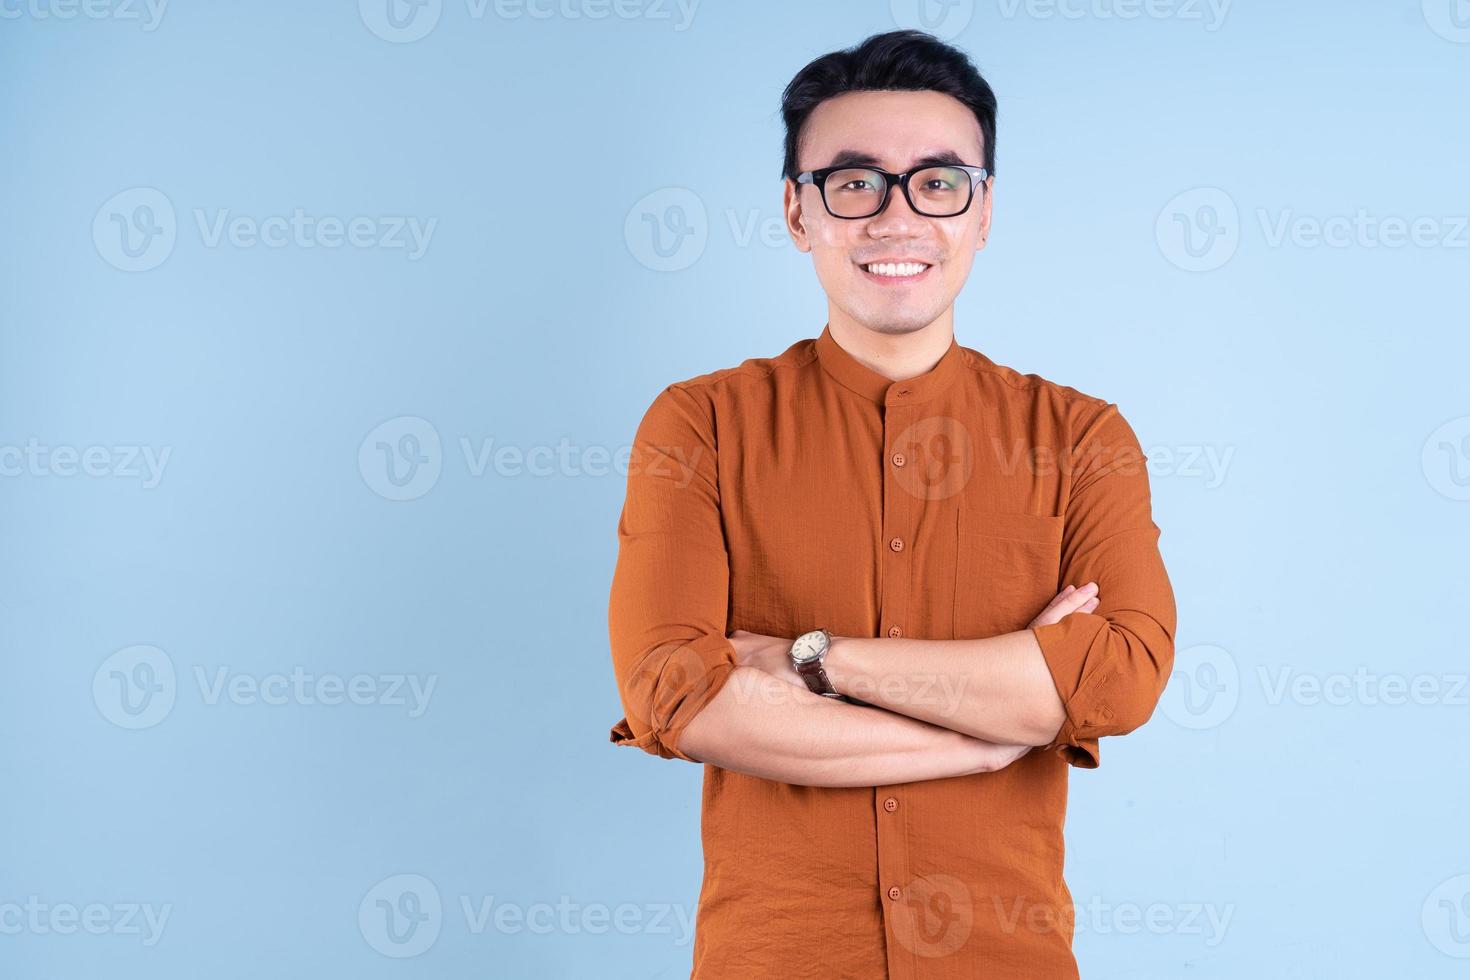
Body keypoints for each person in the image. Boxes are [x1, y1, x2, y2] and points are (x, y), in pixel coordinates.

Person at [607, 29, 1177, 979]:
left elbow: (1117, 678)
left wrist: (811, 662)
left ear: (982, 212)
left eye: (939, 181)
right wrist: (990, 730)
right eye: (855, 182)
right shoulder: (699, 424)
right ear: (799, 212)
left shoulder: (1082, 438)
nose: (896, 217)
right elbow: (675, 694)